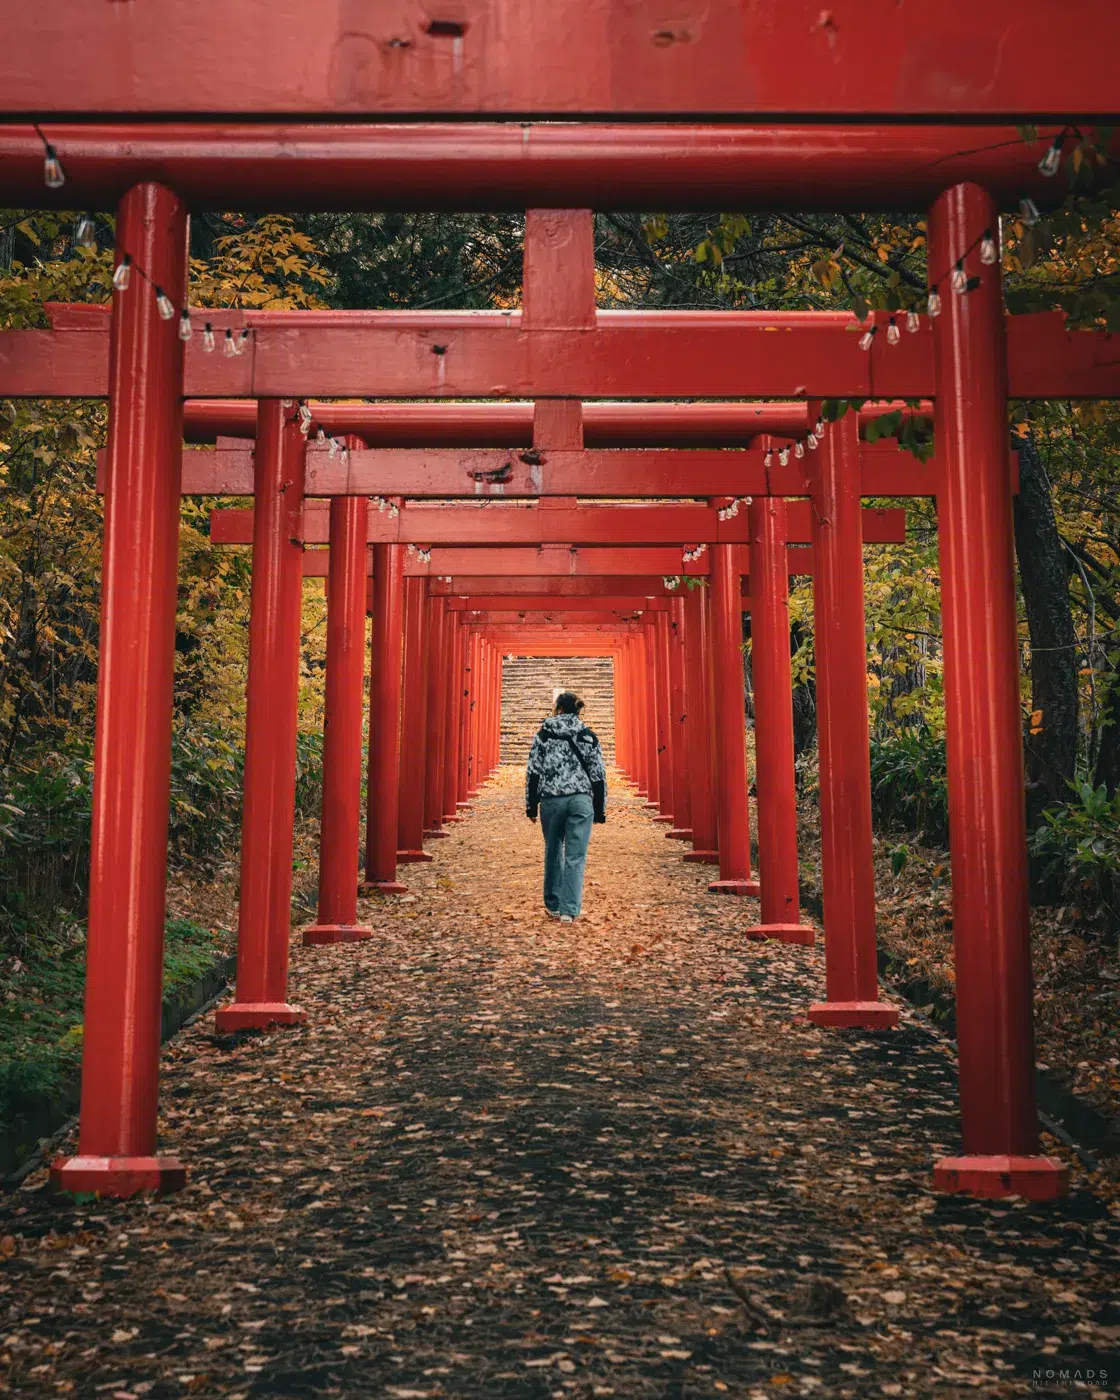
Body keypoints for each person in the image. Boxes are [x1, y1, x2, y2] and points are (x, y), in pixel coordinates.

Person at [525, 691, 607, 922]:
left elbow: (533, 772)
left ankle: (553, 905)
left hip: (551, 799)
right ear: (578, 710)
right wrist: (600, 809)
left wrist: (531, 805)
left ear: (558, 709)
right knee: (575, 856)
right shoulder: (588, 736)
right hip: (581, 800)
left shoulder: (543, 735)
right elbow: (598, 775)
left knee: (553, 852)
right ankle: (570, 910)